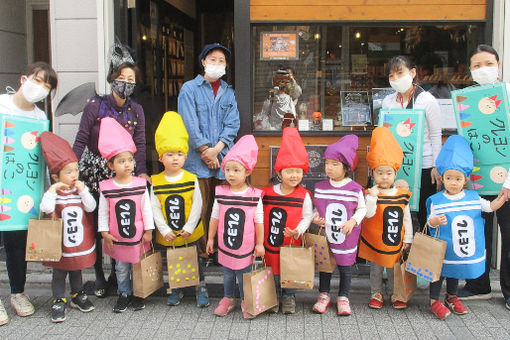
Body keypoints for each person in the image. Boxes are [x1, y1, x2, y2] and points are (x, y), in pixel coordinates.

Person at [73, 42, 148, 297]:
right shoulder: (95, 104)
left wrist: (142, 171)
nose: (126, 83)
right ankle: (98, 275)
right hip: (95, 172)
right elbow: (81, 138)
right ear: (112, 79)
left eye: (131, 79)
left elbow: (140, 142)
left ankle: (118, 273)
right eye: (121, 78)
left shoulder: (136, 110)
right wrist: (71, 169)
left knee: (120, 223)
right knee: (97, 224)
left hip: (124, 173)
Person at [0, 61, 58, 326]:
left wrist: (48, 188)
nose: (41, 88)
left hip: (24, 189)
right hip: (4, 183)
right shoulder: (2, 106)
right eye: (39, 80)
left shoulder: (39, 119)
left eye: (47, 86)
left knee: (17, 244)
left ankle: (17, 293)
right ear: (24, 78)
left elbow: (41, 158)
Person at [426, 135, 505, 320]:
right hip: (442, 250)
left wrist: (500, 199)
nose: (453, 182)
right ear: (442, 178)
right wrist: (435, 221)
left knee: (456, 272)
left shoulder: (473, 198)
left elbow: (489, 207)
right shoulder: (437, 201)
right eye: (449, 178)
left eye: (458, 178)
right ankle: (433, 300)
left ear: (465, 179)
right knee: (438, 274)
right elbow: (429, 221)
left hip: (459, 249)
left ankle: (451, 296)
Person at [457, 44, 510, 304]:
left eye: (488, 64)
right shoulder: (468, 99)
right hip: (479, 180)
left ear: (498, 66)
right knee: (479, 230)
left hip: (507, 180)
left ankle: (509, 291)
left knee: (508, 234)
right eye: (477, 66)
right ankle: (479, 284)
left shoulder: (507, 94)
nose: (483, 70)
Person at [178, 43, 240, 258]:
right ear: (203, 62)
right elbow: (189, 123)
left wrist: (217, 150)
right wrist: (205, 150)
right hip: (197, 160)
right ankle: (204, 252)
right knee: (200, 208)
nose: (217, 63)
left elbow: (233, 124)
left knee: (222, 208)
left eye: (221, 61)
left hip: (223, 159)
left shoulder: (228, 92)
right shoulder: (189, 89)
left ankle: (222, 249)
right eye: (212, 59)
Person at [150, 111, 209, 308]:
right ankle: (176, 289)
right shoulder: (156, 181)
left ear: (185, 156)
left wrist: (191, 227)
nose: (175, 159)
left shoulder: (191, 178)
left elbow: (197, 205)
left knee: (195, 261)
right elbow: (155, 208)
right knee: (173, 261)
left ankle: (201, 288)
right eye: (170, 154)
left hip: (189, 232)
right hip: (170, 233)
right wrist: (164, 230)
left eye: (179, 154)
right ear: (160, 158)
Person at [96, 117, 154, 313]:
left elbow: (146, 208)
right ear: (111, 165)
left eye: (130, 160)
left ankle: (139, 293)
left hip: (138, 236)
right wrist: (104, 232)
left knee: (138, 266)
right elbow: (103, 212)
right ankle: (124, 293)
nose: (127, 164)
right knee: (121, 268)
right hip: (117, 237)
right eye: (121, 161)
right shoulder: (106, 188)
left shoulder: (139, 184)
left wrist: (149, 230)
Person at [39, 132, 96, 323]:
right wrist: (53, 190)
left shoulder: (79, 190)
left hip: (77, 241)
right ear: (56, 175)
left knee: (77, 268)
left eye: (76, 170)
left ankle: (77, 295)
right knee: (59, 271)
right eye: (69, 172)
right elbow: (46, 209)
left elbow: (91, 207)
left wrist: (84, 190)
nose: (74, 175)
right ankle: (58, 299)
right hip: (60, 244)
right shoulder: (53, 193)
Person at [205, 135, 264, 319]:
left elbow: (259, 221)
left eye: (236, 170)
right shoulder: (221, 193)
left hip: (246, 245)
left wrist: (259, 244)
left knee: (244, 275)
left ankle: (247, 301)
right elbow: (215, 216)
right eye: (227, 169)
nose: (230, 174)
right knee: (228, 272)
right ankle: (228, 298)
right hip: (226, 242)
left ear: (247, 172)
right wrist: (211, 238)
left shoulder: (254, 196)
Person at [382, 56, 442, 231]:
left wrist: (437, 166)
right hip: (397, 166)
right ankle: (401, 254)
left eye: (400, 73)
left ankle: (423, 255)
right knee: (398, 212)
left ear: (413, 72)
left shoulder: (427, 100)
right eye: (391, 76)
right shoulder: (388, 102)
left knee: (424, 213)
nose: (396, 79)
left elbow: (436, 134)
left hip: (424, 165)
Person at [358, 127, 413, 310]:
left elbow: (406, 218)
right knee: (375, 269)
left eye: (388, 173)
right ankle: (376, 293)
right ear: (372, 174)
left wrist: (408, 238)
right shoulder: (370, 193)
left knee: (393, 268)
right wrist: (372, 197)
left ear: (395, 174)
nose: (384, 177)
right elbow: (368, 214)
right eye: (379, 173)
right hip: (375, 240)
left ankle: (394, 293)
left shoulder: (402, 194)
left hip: (395, 239)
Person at [311, 135, 367, 316]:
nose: (329, 168)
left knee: (346, 267)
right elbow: (315, 209)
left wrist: (353, 221)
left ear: (346, 167)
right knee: (325, 266)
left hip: (346, 237)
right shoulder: (320, 187)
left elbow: (362, 209)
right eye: (327, 163)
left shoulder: (355, 189)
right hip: (326, 235)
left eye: (335, 164)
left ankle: (343, 297)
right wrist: (315, 218)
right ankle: (323, 295)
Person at [262, 127, 313, 314]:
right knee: (273, 270)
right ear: (280, 172)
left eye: (298, 171)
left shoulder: (304, 195)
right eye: (290, 171)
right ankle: (273, 296)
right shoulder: (266, 194)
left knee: (290, 270)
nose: (294, 176)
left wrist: (298, 231)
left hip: (292, 241)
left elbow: (307, 216)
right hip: (271, 242)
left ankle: (289, 297)